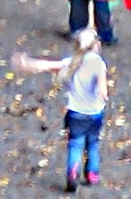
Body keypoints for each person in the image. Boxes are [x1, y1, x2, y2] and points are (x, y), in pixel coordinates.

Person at [15, 32, 111, 190]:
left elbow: (46, 65)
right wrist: (103, 94)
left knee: (75, 144)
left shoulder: (72, 62)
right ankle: (92, 174)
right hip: (94, 113)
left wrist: (27, 63)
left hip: (75, 113)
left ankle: (73, 172)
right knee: (93, 143)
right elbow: (102, 89)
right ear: (97, 45)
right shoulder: (98, 64)